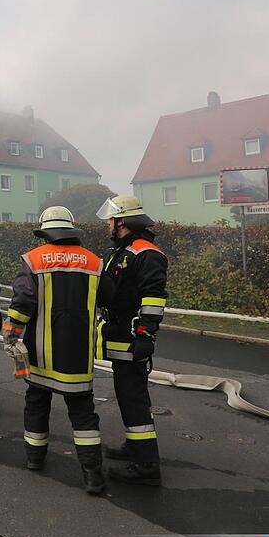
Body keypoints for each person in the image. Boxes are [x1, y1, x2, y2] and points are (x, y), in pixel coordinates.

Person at [2, 206, 105, 494]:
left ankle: (35, 459)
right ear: (71, 229)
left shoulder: (34, 260)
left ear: (45, 231)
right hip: (78, 355)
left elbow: (22, 301)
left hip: (41, 351)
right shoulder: (94, 262)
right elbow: (107, 298)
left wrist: (11, 334)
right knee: (83, 412)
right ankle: (93, 475)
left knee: (37, 402)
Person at [96, 195, 169, 486]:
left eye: (111, 220)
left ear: (123, 222)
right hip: (119, 332)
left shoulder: (145, 253)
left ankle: (146, 465)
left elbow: (153, 298)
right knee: (127, 393)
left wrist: (145, 333)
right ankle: (135, 446)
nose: (108, 225)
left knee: (133, 396)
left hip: (131, 335)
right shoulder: (123, 250)